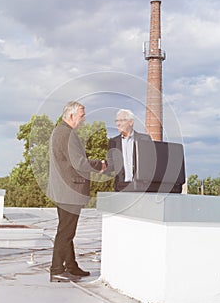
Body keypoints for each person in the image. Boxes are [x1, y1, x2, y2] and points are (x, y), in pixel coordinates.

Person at [47, 101, 106, 282]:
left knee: (67, 230)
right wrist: (100, 165)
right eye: (82, 115)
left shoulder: (60, 131)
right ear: (71, 116)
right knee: (66, 232)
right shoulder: (67, 134)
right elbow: (79, 163)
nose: (84, 118)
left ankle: (71, 266)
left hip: (63, 190)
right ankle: (57, 269)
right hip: (69, 190)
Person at [105, 109, 152, 191]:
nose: (118, 123)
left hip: (141, 187)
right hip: (120, 187)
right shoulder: (113, 142)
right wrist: (98, 166)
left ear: (131, 122)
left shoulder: (145, 140)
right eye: (116, 121)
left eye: (121, 120)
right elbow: (110, 165)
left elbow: (150, 164)